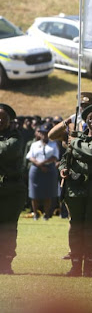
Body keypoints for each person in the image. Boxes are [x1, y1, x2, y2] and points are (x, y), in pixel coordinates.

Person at [59, 103, 92, 277]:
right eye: (89, 118)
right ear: (85, 120)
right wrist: (63, 168)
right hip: (75, 187)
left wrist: (75, 143)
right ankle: (75, 265)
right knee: (76, 226)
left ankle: (88, 267)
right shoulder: (77, 136)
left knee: (91, 227)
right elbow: (66, 158)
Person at [0, 104, 25, 274]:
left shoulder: (16, 137)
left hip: (11, 188)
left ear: (10, 121)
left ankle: (6, 262)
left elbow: (6, 150)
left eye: (3, 117)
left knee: (8, 228)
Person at [26, 123, 59, 220]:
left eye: (47, 133)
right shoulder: (34, 144)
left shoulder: (53, 144)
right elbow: (30, 156)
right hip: (36, 170)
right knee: (34, 193)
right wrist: (38, 164)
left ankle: (47, 214)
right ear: (39, 133)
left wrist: (44, 162)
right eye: (43, 133)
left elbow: (55, 156)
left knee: (48, 193)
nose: (44, 135)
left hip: (49, 169)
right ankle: (35, 213)